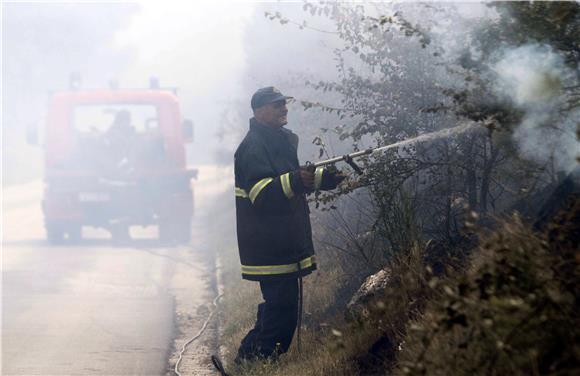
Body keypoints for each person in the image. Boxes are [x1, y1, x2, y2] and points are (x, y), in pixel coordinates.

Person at [233, 86, 344, 363]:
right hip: (268, 243)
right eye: (276, 105)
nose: (284, 108)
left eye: (284, 104)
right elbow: (262, 193)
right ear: (259, 111)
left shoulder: (277, 140)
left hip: (282, 239)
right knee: (282, 307)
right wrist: (297, 180)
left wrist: (323, 179)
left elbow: (292, 180)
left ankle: (249, 357)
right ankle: (258, 359)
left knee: (280, 306)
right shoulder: (253, 146)